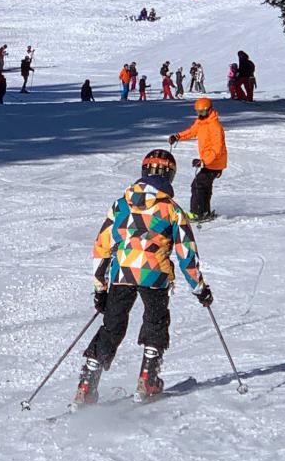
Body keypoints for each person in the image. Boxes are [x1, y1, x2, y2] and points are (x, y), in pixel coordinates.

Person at [73, 149, 211, 406]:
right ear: (170, 176)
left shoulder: (121, 204)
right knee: (156, 322)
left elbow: (102, 246)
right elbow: (186, 253)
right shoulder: (172, 209)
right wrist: (199, 287)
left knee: (112, 326)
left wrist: (100, 288)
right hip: (154, 274)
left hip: (122, 272)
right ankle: (148, 378)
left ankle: (86, 385)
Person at [169, 97, 228, 221]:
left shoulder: (215, 126)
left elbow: (217, 148)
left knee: (198, 184)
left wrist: (203, 161)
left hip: (214, 162)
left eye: (203, 112)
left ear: (209, 110)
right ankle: (204, 211)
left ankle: (197, 212)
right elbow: (192, 131)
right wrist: (178, 136)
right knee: (204, 185)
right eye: (198, 112)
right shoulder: (201, 122)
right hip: (208, 162)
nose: (200, 114)